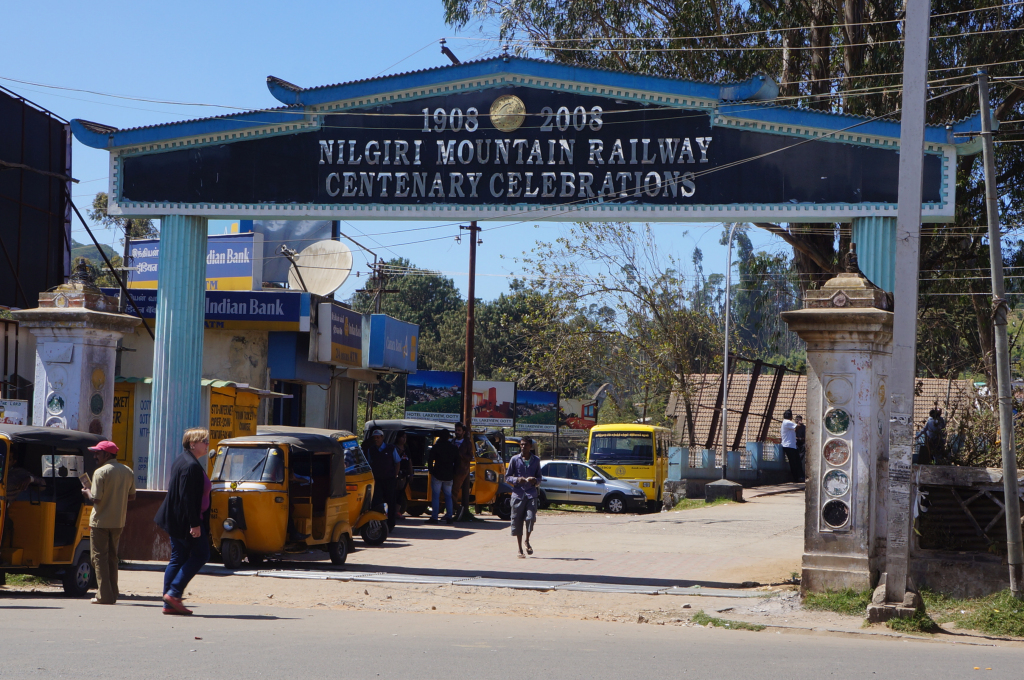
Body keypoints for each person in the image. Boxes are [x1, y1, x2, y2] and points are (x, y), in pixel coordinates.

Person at [154, 427, 211, 616]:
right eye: (204, 441)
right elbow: (187, 497)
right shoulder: (190, 465)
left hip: (177, 519)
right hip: (186, 521)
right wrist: (194, 524)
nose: (207, 444)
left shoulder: (184, 460)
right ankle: (174, 593)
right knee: (201, 554)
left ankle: (169, 601)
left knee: (178, 557)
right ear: (193, 444)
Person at [81, 440, 136, 605]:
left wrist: (87, 492)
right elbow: (132, 496)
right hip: (118, 521)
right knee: (112, 557)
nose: (95, 456)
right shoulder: (127, 471)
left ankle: (104, 595)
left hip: (100, 521)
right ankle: (112, 593)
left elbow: (96, 499)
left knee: (98, 558)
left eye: (98, 453)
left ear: (107, 454)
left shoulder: (100, 472)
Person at [505, 436, 542, 558]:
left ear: (530, 446)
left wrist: (535, 480)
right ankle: (520, 549)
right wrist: (517, 479)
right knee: (517, 521)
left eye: (525, 444)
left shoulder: (536, 460)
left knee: (530, 518)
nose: (523, 447)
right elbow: (507, 477)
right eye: (521, 444)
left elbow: (539, 478)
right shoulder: (514, 459)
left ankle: (527, 540)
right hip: (518, 494)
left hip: (531, 494)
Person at [367, 429, 399, 530]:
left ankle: (391, 524)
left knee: (391, 502)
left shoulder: (391, 448)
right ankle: (377, 523)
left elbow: (397, 462)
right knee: (376, 502)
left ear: (382, 438)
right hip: (377, 480)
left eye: (378, 437)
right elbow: (369, 463)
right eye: (375, 438)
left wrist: (395, 475)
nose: (376, 439)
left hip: (389, 480)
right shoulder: (371, 450)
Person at [426, 430, 457, 524]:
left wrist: (431, 471)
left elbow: (430, 460)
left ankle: (434, 517)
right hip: (449, 475)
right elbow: (457, 462)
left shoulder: (436, 447)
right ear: (448, 437)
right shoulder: (453, 448)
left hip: (437, 473)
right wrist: (453, 472)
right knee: (448, 496)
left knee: (436, 496)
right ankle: (449, 517)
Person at [451, 422, 474, 522]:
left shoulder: (467, 443)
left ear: (463, 432)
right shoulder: (452, 441)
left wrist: (460, 454)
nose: (457, 432)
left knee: (454, 490)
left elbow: (470, 457)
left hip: (461, 470)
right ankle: (452, 511)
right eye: (456, 430)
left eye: (459, 430)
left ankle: (458, 509)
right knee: (448, 491)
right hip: (451, 469)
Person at [780, 409, 802, 483]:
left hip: (792, 445)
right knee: (793, 462)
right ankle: (796, 478)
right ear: (791, 417)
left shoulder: (786, 423)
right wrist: (799, 423)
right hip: (789, 445)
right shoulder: (787, 422)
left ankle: (799, 477)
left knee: (797, 461)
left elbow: (794, 430)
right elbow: (797, 426)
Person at [394, 431, 413, 516]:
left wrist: (411, 473)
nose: (404, 439)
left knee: (401, 493)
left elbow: (409, 461)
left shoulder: (406, 448)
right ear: (398, 438)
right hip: (396, 473)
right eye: (402, 437)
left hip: (405, 474)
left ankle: (397, 511)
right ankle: (392, 510)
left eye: (405, 437)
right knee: (395, 492)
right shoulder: (394, 447)